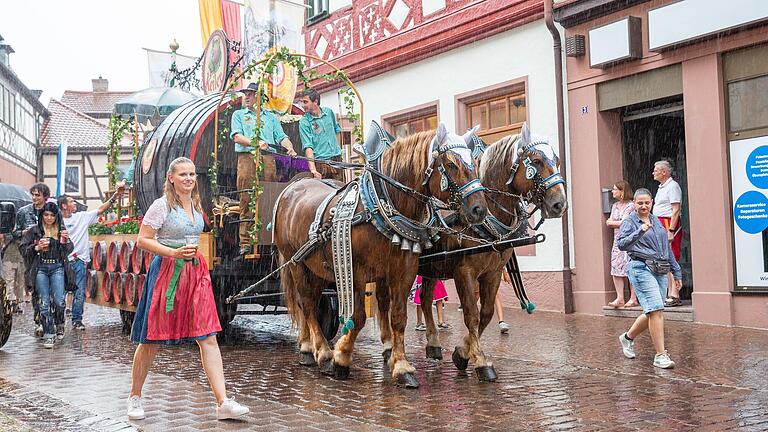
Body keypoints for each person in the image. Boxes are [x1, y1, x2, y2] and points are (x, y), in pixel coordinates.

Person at [127, 157, 249, 421]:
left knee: (208, 335)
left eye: (192, 174)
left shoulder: (195, 203)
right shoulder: (161, 206)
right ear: (171, 178)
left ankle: (222, 402)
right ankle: (135, 396)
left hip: (195, 271)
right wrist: (173, 252)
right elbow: (142, 240)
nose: (189, 179)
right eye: (183, 174)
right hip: (167, 273)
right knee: (150, 339)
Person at [617, 188, 682, 369]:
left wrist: (676, 272)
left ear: (652, 202)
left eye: (647, 203)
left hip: (660, 269)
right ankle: (660, 355)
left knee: (653, 310)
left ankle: (627, 337)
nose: (644, 206)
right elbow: (622, 244)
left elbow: (666, 249)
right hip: (640, 267)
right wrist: (640, 231)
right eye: (640, 203)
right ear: (634, 204)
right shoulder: (630, 221)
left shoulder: (656, 221)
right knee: (656, 310)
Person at [230, 82, 296, 256]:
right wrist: (256, 143)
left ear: (260, 97)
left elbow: (281, 137)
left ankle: (268, 238)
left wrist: (289, 147)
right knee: (246, 197)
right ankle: (245, 241)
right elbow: (236, 136)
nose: (247, 97)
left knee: (268, 197)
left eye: (251, 94)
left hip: (268, 158)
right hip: (246, 158)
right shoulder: (238, 114)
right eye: (246, 94)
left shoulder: (271, 117)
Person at [58, 186, 125, 330]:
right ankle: (58, 320)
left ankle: (77, 320)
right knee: (60, 292)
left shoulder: (82, 217)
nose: (75, 203)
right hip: (63, 261)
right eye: (71, 201)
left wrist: (114, 197)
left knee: (79, 292)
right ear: (64, 206)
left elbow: (101, 209)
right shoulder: (56, 221)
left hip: (79, 261)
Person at [20, 202, 73, 348]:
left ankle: (60, 322)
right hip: (40, 268)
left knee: (59, 301)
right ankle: (49, 334)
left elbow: (69, 249)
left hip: (57, 267)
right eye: (46, 215)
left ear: (57, 216)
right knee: (43, 302)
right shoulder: (35, 230)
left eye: (52, 215)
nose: (49, 218)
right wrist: (36, 247)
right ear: (42, 216)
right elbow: (23, 249)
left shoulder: (61, 229)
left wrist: (66, 241)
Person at [13, 183, 52, 337]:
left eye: (38, 195)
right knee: (37, 292)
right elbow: (14, 233)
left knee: (52, 292)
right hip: (31, 257)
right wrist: (23, 232)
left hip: (50, 256)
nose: (35, 198)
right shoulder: (23, 212)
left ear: (45, 197)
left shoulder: (51, 212)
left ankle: (52, 319)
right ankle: (40, 322)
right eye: (33, 195)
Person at [651, 160, 683, 307]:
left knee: (671, 258)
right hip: (660, 222)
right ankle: (670, 292)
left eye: (656, 170)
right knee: (664, 257)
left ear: (664, 172)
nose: (653, 172)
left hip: (668, 223)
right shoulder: (662, 187)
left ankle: (675, 294)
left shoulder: (672, 186)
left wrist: (671, 230)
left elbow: (675, 209)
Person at [298, 88, 344, 182]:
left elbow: (337, 131)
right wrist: (313, 170)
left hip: (336, 160)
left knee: (342, 191)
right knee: (325, 194)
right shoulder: (304, 121)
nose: (302, 105)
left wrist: (338, 150)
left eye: (305, 102)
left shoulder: (328, 113)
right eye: (301, 102)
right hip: (321, 162)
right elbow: (308, 146)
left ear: (315, 101)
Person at [605, 180, 638, 308]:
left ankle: (633, 298)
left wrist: (611, 222)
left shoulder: (631, 206)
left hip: (629, 240)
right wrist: (613, 222)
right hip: (617, 241)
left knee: (630, 268)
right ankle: (620, 298)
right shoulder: (615, 206)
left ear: (622, 191)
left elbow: (625, 223)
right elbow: (613, 222)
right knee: (616, 267)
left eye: (615, 189)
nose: (612, 191)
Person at [1, 231, 25, 314]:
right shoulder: (5, 224)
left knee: (19, 283)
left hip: (21, 257)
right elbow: (5, 237)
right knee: (9, 281)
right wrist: (20, 233)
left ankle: (18, 302)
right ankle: (10, 303)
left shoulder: (25, 220)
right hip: (8, 257)